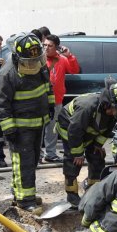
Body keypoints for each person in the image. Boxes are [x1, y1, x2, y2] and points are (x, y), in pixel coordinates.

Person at [0, 32, 55, 212]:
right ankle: (25, 200)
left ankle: (21, 192)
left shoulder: (40, 66)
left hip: (38, 124)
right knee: (24, 162)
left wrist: (50, 105)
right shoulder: (8, 74)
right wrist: (8, 128)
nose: (33, 64)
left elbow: (47, 87)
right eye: (29, 60)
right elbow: (0, 103)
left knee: (33, 160)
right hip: (20, 128)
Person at [56, 82, 117, 207]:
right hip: (70, 129)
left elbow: (106, 131)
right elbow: (74, 130)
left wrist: (98, 145)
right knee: (73, 161)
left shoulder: (112, 112)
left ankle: (93, 190)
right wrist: (78, 153)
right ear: (108, 105)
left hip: (87, 130)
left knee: (97, 157)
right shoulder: (87, 106)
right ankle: (72, 195)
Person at [42, 34, 80, 163]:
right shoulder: (38, 59)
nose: (46, 48)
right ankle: (36, 155)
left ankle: (50, 154)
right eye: (45, 45)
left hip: (56, 100)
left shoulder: (62, 59)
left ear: (56, 47)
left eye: (50, 46)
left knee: (52, 129)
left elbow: (74, 70)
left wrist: (70, 56)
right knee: (37, 129)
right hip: (39, 101)